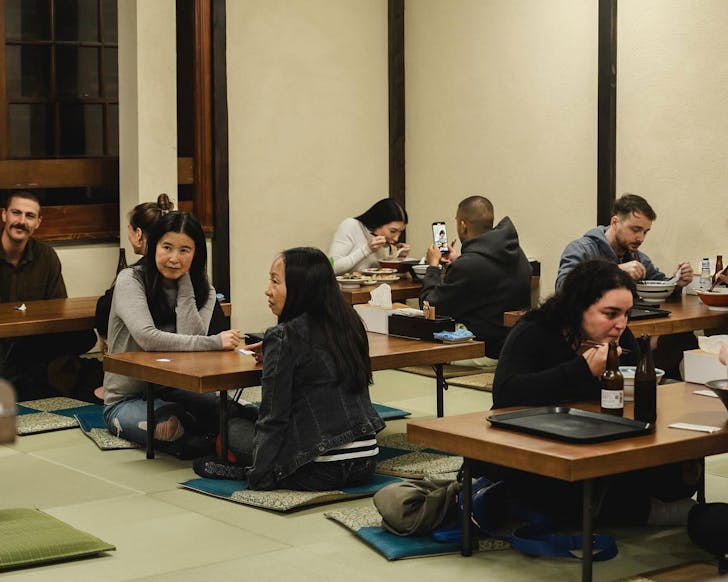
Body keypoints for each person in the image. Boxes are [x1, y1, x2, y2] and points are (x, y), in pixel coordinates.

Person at [489, 260, 699, 526]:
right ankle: (633, 511)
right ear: (578, 309)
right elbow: (507, 393)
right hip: (536, 440)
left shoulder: (619, 338)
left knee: (678, 472)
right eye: (610, 314)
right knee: (563, 493)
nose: (620, 324)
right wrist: (582, 369)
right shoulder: (536, 330)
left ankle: (630, 505)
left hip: (599, 434)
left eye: (626, 314)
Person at [194, 247, 385, 490]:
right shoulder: (349, 324)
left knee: (230, 426)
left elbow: (274, 416)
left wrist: (260, 476)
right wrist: (275, 349)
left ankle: (244, 469)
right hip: (365, 462)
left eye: (275, 282)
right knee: (247, 414)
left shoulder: (285, 336)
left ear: (300, 288)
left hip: (318, 468)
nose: (268, 290)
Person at [103, 211, 241, 457]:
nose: (174, 258)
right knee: (170, 428)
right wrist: (214, 342)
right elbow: (148, 338)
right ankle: (203, 434)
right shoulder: (130, 280)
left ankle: (211, 435)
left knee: (235, 409)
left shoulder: (205, 290)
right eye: (167, 247)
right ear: (153, 245)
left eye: (185, 250)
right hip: (127, 397)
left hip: (176, 388)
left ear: (196, 253)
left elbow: (192, 348)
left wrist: (185, 288)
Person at [0, 191, 97, 400]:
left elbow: (58, 309)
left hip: (31, 342)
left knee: (85, 335)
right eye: (16, 213)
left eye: (29, 216)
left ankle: (28, 377)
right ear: (4, 215)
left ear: (38, 222)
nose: (21, 221)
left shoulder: (46, 256)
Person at [419, 196, 531, 363]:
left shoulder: (469, 266)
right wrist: (460, 261)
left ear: (463, 226)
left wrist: (433, 267)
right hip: (513, 346)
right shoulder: (516, 252)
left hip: (480, 350)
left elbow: (431, 309)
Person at [556, 193, 693, 290]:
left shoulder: (638, 258)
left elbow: (659, 285)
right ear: (615, 222)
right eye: (635, 229)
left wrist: (676, 283)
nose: (641, 238)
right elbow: (563, 288)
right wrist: (614, 272)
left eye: (645, 232)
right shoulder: (582, 249)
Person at [95, 193, 176, 345]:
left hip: (143, 357)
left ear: (138, 234)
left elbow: (104, 313)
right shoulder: (182, 271)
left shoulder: (133, 277)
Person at [328, 198, 410, 275]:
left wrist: (398, 257)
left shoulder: (382, 239)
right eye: (393, 231)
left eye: (400, 232)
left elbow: (379, 272)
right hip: (345, 289)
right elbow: (332, 267)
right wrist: (366, 249)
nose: (396, 238)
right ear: (378, 222)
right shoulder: (351, 225)